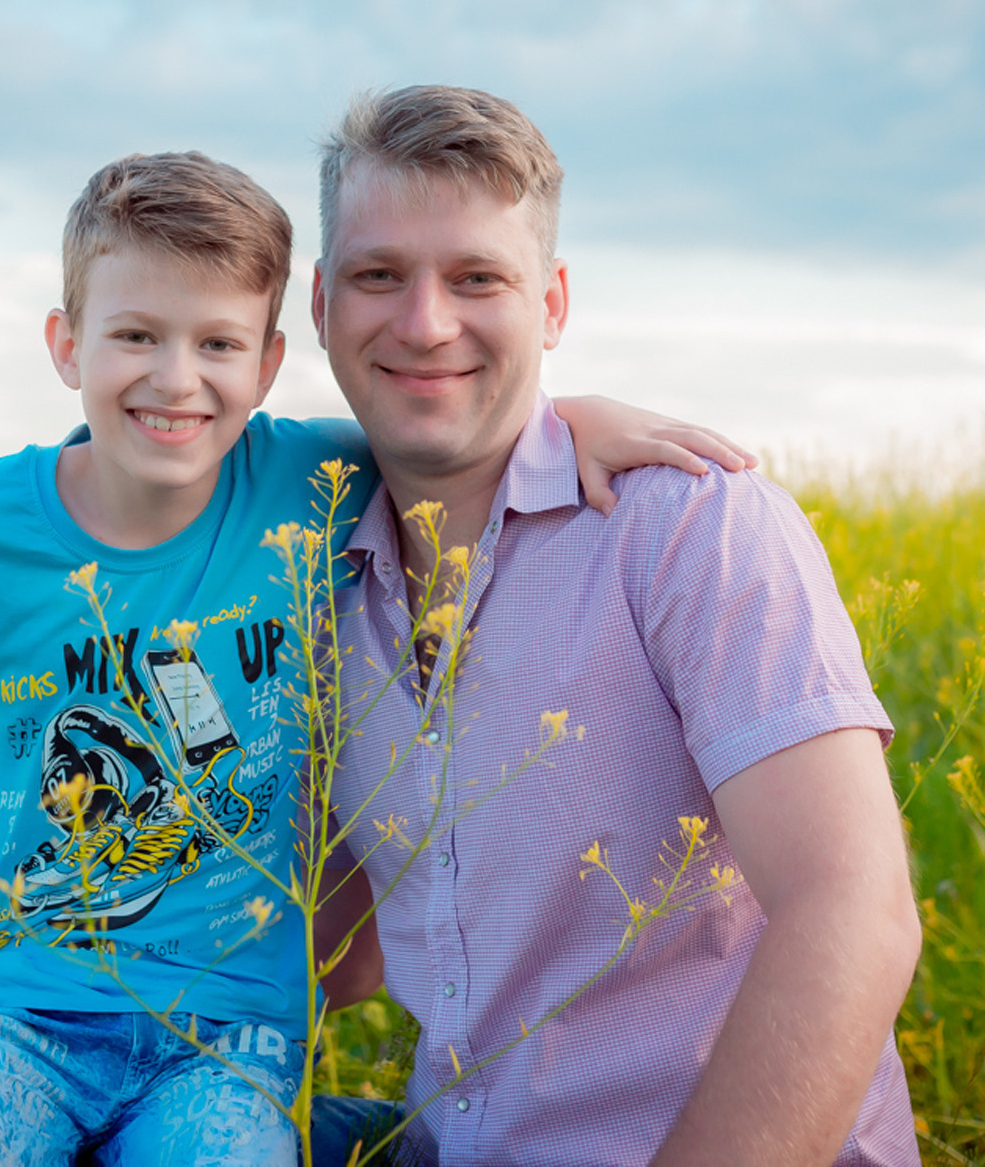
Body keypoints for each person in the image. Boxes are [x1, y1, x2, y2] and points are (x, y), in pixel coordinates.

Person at [0, 149, 751, 1165]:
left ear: (269, 360)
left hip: (233, 1038)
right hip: (23, 1011)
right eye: (134, 335)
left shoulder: (304, 477)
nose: (174, 377)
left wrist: (578, 417)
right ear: (65, 344)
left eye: (217, 341)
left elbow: (462, 425)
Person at [309, 86, 923, 1166]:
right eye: (377, 275)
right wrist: (46, 980)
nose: (422, 322)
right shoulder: (319, 572)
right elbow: (347, 953)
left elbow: (853, 909)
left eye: (475, 278)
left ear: (549, 304)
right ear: (318, 305)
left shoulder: (691, 526)